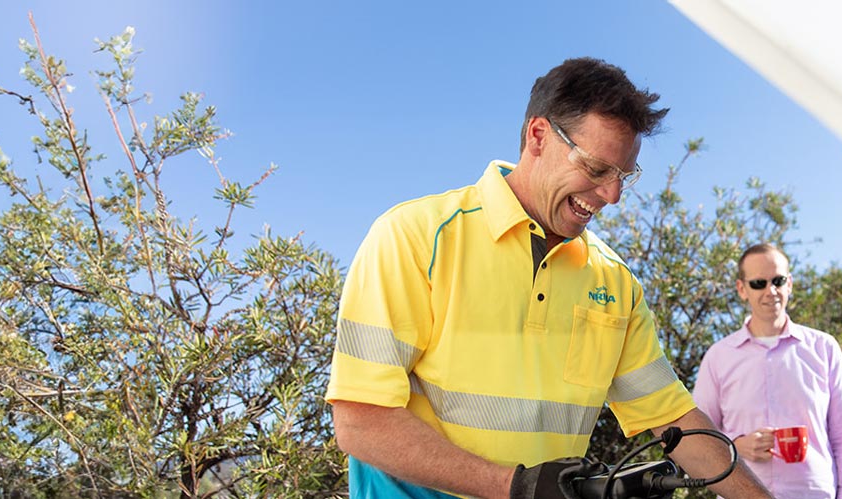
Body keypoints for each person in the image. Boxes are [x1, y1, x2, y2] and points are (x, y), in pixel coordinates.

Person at [326, 58, 771, 499]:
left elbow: (673, 419)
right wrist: (515, 487)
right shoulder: (416, 237)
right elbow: (361, 421)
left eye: (624, 176)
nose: (612, 195)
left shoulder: (615, 282)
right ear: (538, 136)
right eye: (596, 169)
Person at [693, 244, 842, 499]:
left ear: (790, 284)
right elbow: (700, 437)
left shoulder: (824, 348)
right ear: (742, 289)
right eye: (758, 283)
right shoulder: (718, 356)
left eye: (778, 281)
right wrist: (736, 445)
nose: (770, 291)